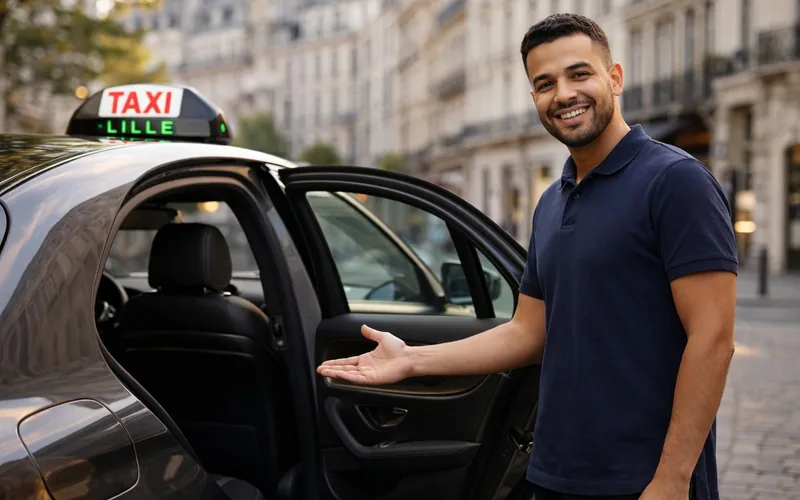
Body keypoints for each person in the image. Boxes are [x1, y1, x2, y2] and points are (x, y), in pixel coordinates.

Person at [317, 13, 738, 500]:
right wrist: (411, 360)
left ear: (615, 78)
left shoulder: (676, 181)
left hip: (644, 481)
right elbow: (526, 333)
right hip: (554, 474)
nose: (564, 94)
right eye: (545, 83)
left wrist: (672, 479)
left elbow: (713, 339)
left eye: (579, 74)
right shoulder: (552, 201)